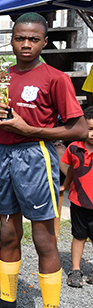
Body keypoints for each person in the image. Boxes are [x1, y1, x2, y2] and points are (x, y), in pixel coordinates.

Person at [0, 13, 87, 308]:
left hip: (36, 156)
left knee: (44, 238)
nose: (26, 44)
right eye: (20, 38)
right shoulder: (2, 77)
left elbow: (79, 130)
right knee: (8, 233)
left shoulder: (55, 78)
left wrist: (30, 130)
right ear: (12, 38)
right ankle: (7, 305)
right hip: (4, 157)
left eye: (34, 39)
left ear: (44, 41)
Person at [60, 106, 93, 287]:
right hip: (78, 202)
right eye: (89, 129)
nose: (92, 134)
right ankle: (75, 269)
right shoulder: (74, 148)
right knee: (78, 236)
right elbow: (71, 169)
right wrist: (65, 185)